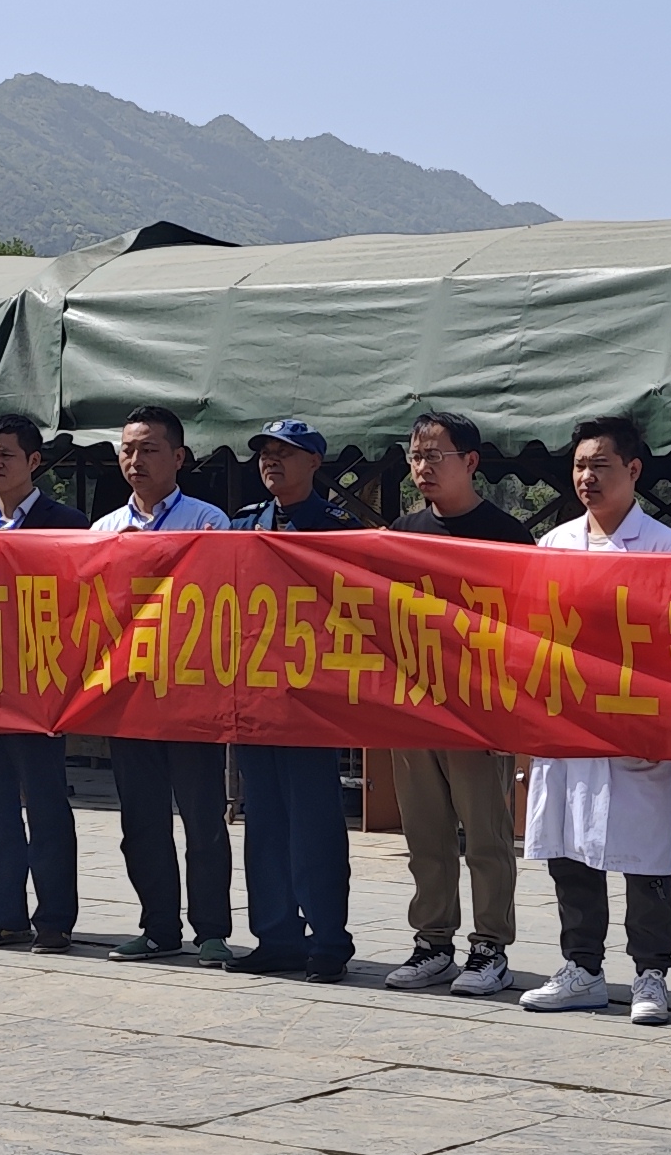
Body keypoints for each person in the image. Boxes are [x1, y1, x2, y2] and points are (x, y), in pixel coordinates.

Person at [519, 416, 671, 1022]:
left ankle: (651, 974)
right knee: (568, 849)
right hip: (568, 722)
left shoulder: (667, 549)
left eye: (600, 465)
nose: (586, 477)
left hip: (636, 722)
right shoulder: (554, 545)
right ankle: (582, 967)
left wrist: (665, 728)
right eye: (579, 466)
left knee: (645, 858)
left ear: (634, 470)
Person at [382, 410, 529, 997]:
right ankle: (433, 942)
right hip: (416, 704)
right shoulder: (402, 531)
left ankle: (490, 947)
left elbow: (526, 629)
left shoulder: (507, 535)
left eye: (435, 456)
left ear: (470, 462)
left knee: (486, 836)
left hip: (480, 707)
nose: (422, 467)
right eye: (415, 456)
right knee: (426, 835)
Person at [92, 404, 234, 962]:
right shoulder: (104, 530)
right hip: (128, 696)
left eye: (149, 449)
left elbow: (222, 601)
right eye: (128, 450)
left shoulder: (208, 522)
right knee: (141, 820)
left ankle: (212, 931)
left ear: (179, 457)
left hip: (191, 694)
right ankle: (158, 927)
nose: (136, 460)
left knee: (203, 818)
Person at [232, 420, 358, 977]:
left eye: (286, 453)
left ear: (315, 463)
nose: (272, 461)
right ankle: (276, 936)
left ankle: (328, 942)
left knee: (315, 827)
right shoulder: (240, 528)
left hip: (312, 701)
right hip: (255, 697)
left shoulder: (339, 530)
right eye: (265, 453)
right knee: (263, 825)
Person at [0, 415, 85, 955]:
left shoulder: (67, 524)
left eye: (5, 454)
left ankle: (54, 918)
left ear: (34, 461)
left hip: (40, 687)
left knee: (47, 806)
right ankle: (3, 914)